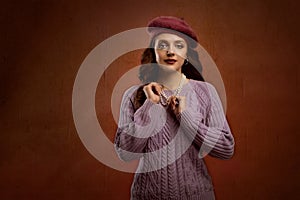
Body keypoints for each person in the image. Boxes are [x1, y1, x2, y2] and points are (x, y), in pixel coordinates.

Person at [114, 16, 235, 200]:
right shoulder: (134, 95)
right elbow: (125, 153)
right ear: (153, 52)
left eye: (179, 45)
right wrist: (149, 106)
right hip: (147, 196)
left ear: (187, 54)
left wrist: (185, 116)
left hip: (196, 195)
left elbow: (226, 148)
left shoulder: (205, 92)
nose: (171, 51)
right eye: (163, 45)